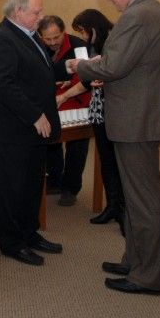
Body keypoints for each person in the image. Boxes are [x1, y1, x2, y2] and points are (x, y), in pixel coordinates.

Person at [69, 0, 160, 295]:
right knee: (135, 194)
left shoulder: (136, 16)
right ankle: (135, 259)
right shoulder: (158, 12)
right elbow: (132, 64)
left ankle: (147, 276)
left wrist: (83, 66)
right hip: (142, 115)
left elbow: (115, 65)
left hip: (136, 119)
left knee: (143, 198)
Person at [0, 0, 63, 266]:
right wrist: (34, 115)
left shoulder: (29, 36)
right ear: (18, 11)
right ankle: (11, 241)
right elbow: (3, 85)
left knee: (31, 184)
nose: (40, 17)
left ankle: (29, 233)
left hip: (33, 129)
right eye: (36, 12)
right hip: (15, 129)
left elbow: (39, 76)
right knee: (12, 187)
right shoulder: (1, 39)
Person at [60, 9, 125, 231]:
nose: (85, 37)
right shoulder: (96, 45)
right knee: (106, 159)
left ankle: (123, 207)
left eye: (85, 32)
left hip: (116, 109)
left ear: (94, 28)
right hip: (99, 109)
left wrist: (67, 94)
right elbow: (89, 79)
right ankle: (113, 206)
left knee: (118, 161)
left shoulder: (115, 40)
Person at [38, 15, 92, 206]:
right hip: (49, 101)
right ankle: (53, 181)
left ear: (64, 32)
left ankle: (70, 187)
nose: (52, 43)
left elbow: (85, 79)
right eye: (48, 39)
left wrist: (65, 92)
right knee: (50, 142)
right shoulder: (36, 46)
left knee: (77, 146)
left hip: (76, 101)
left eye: (56, 38)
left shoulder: (78, 46)